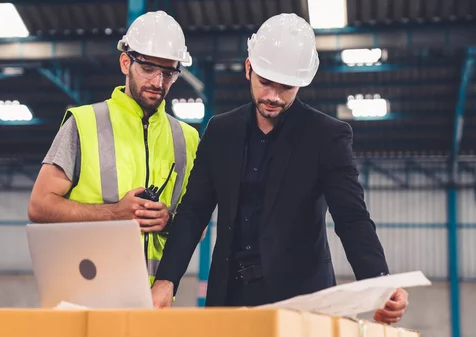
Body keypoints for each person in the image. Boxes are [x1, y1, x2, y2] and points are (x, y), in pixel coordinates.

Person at [150, 13, 409, 324]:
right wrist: (167, 280)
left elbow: (352, 218)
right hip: (230, 298)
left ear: (301, 82)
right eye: (265, 82)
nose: (273, 96)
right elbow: (193, 212)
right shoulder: (221, 131)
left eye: (285, 87)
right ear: (249, 68)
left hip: (303, 301)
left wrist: (379, 282)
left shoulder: (326, 136)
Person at [27, 10, 200, 285]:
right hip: (86, 291)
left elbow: (196, 225)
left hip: (152, 303)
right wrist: (115, 213)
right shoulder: (84, 124)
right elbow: (39, 206)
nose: (158, 82)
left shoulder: (187, 139)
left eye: (168, 73)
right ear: (125, 62)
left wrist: (168, 220)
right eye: (148, 68)